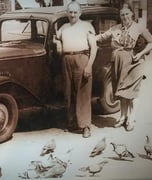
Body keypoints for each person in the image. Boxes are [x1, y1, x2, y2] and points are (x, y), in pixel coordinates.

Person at [96, 3, 152, 131]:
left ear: (132, 14)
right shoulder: (115, 28)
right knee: (122, 92)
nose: (125, 16)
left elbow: (151, 42)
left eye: (127, 13)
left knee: (132, 93)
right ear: (120, 16)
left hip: (134, 63)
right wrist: (89, 37)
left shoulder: (139, 28)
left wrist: (141, 53)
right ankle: (122, 117)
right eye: (122, 14)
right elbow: (101, 37)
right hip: (119, 63)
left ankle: (131, 119)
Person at [55, 1, 97, 138]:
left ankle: (85, 126)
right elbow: (55, 37)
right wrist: (58, 43)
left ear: (80, 13)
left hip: (82, 58)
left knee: (83, 93)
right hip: (67, 60)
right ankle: (72, 122)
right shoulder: (64, 27)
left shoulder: (86, 26)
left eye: (75, 12)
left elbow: (94, 48)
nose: (72, 14)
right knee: (69, 93)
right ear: (67, 13)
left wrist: (89, 65)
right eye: (70, 12)